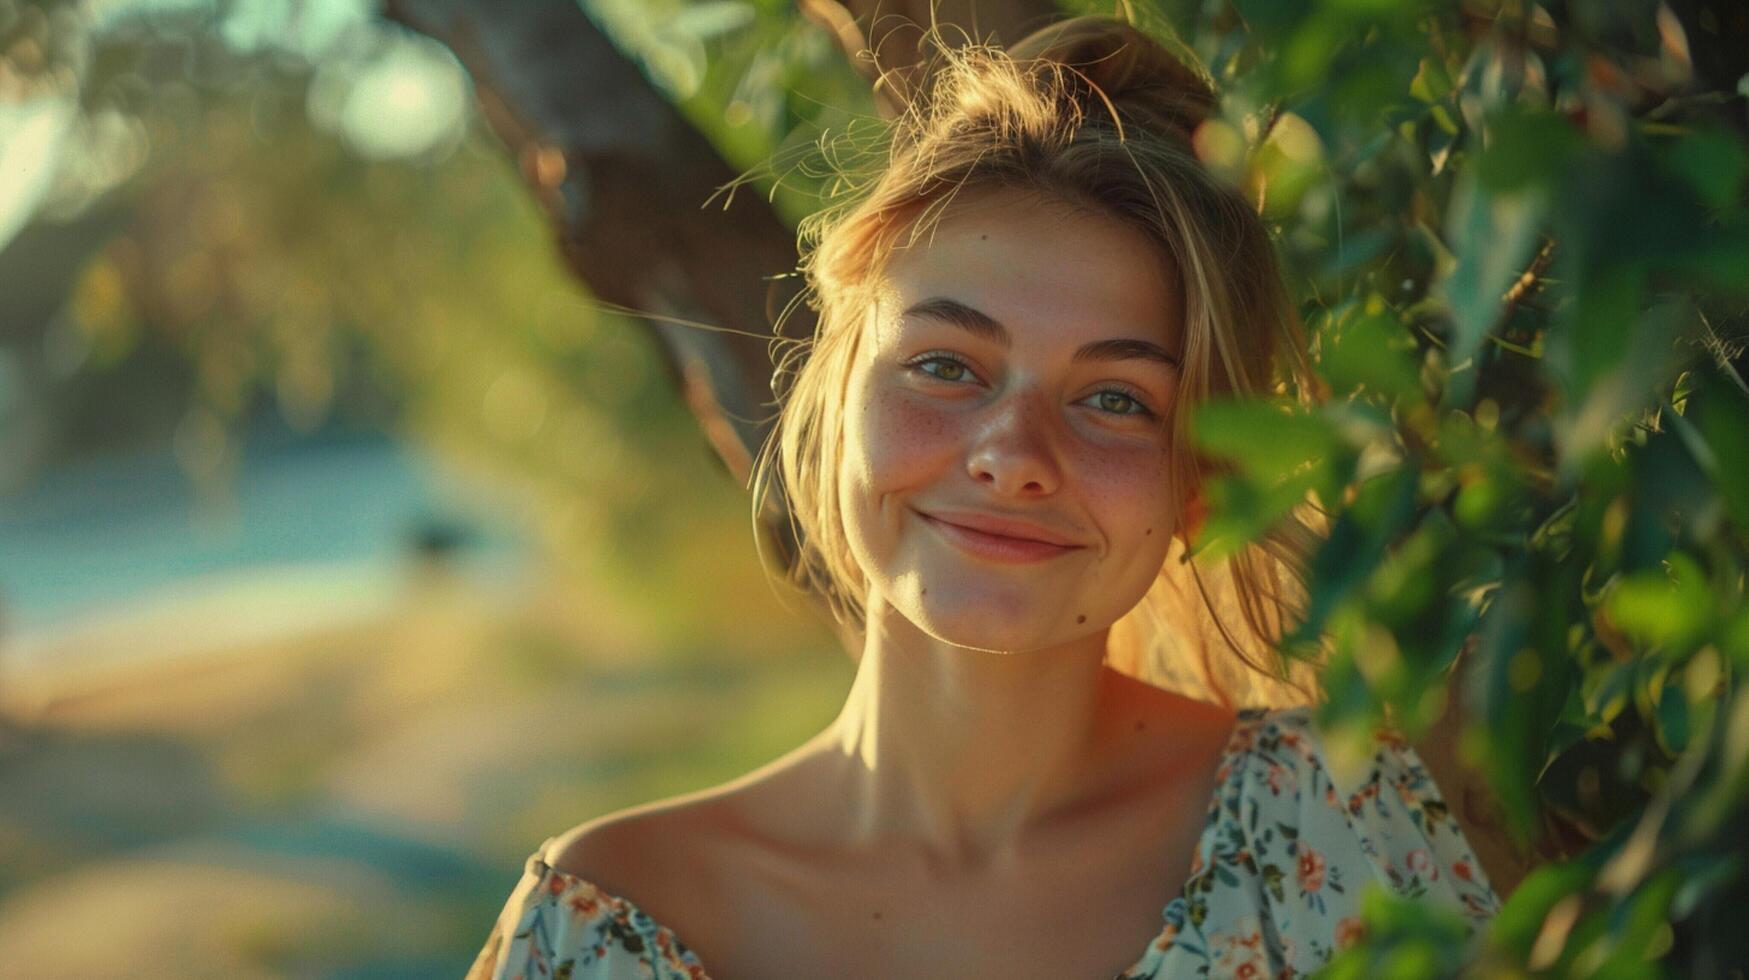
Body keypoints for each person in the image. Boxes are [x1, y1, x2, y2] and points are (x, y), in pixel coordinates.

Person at [465, 15, 1503, 979]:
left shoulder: (1342, 831)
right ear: (838, 404)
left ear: (1202, 485)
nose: (1013, 454)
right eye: (948, 367)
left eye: (1115, 397)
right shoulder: (605, 922)